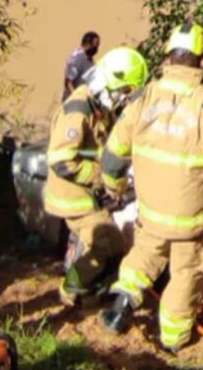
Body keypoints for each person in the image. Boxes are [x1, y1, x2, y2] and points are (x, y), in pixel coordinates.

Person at [99, 24, 203, 352]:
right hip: (193, 220)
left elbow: (113, 154)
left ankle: (120, 305)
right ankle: (174, 342)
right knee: (186, 275)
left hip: (151, 211)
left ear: (167, 58)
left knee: (144, 257)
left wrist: (113, 185)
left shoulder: (141, 98)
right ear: (202, 63)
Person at [43, 45, 149, 307]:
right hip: (74, 198)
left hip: (88, 195)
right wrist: (101, 177)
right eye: (125, 91)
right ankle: (71, 291)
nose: (126, 98)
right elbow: (61, 159)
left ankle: (90, 288)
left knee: (112, 245)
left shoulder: (98, 106)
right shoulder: (79, 111)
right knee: (106, 245)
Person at [63, 31, 101, 100]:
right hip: (73, 101)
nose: (96, 48)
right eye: (95, 45)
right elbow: (68, 82)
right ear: (87, 44)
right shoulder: (76, 58)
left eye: (97, 46)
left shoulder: (89, 59)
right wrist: (76, 97)